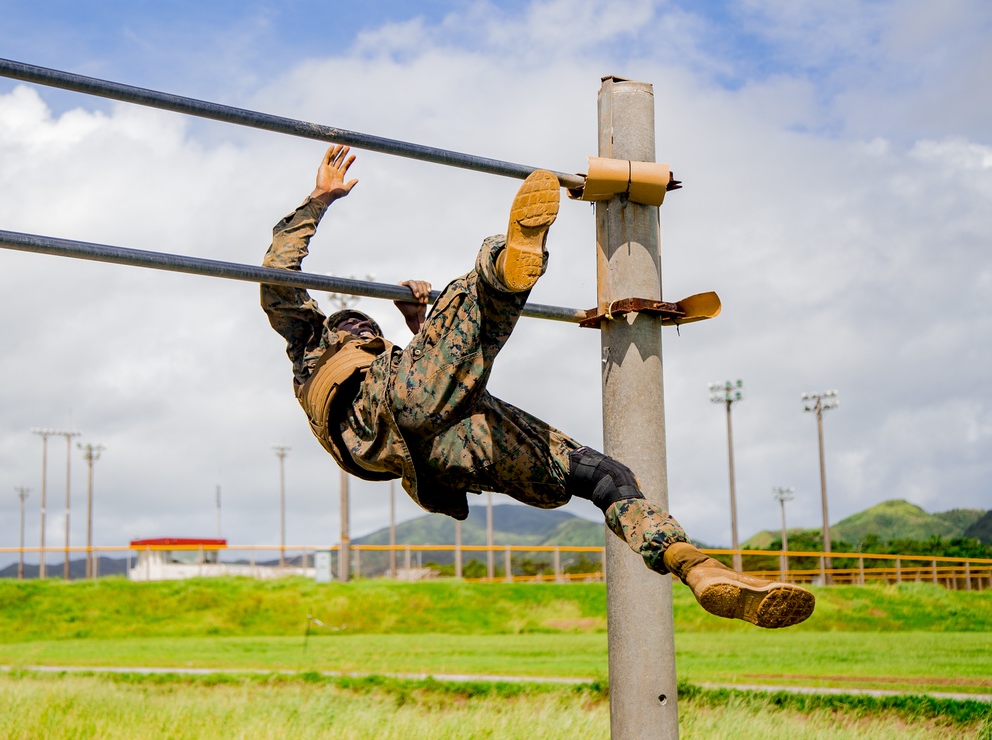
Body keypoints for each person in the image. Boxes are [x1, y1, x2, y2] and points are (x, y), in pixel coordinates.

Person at [261, 145, 815, 629]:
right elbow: (278, 278)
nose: (363, 329)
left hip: (447, 448)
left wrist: (416, 327)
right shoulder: (310, 343)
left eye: (369, 328)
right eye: (356, 326)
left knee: (605, 477)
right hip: (395, 419)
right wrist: (320, 199)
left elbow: (441, 377)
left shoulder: (399, 363)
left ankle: (695, 566)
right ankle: (502, 265)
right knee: (468, 298)